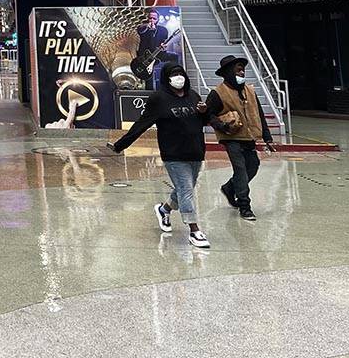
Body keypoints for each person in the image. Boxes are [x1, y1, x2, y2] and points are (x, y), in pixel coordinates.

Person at [108, 63, 211, 248]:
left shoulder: (193, 95)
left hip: (195, 151)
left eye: (180, 73)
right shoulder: (159, 99)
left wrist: (205, 113)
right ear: (166, 77)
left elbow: (202, 121)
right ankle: (194, 230)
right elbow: (142, 124)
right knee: (187, 190)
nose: (178, 77)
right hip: (174, 154)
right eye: (174, 74)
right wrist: (120, 145)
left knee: (183, 189)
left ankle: (164, 210)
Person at [206, 55, 277, 221]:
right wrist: (221, 125)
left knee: (253, 166)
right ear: (228, 72)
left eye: (242, 69)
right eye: (238, 69)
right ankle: (244, 205)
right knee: (240, 169)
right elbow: (209, 114)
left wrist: (267, 136)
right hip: (231, 137)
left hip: (249, 136)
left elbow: (259, 114)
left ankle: (230, 188)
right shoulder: (217, 93)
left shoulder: (250, 91)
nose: (242, 72)